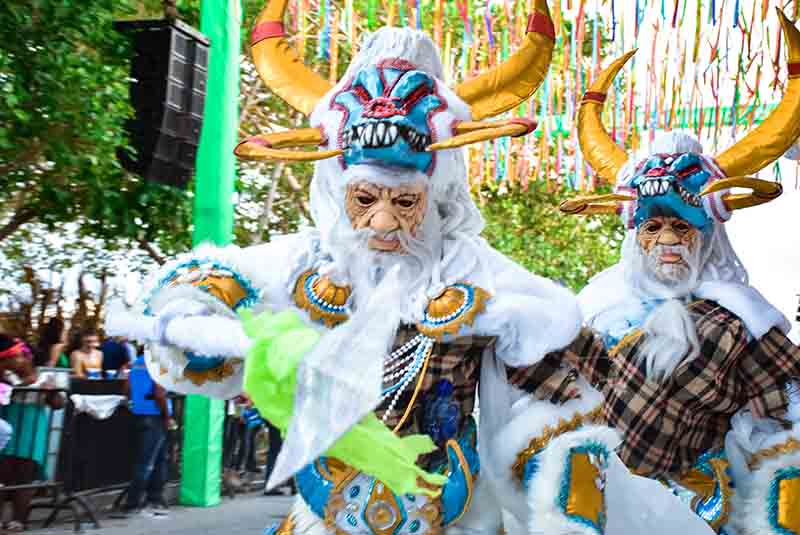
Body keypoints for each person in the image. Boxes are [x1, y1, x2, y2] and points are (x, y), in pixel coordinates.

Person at [105, 0, 629, 532]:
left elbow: (564, 401)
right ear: (338, 189)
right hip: (323, 514)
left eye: (404, 202)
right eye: (364, 199)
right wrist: (200, 319)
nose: (382, 223)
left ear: (436, 191)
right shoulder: (306, 261)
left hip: (448, 513)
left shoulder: (476, 273)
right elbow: (195, 295)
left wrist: (566, 508)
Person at [546, 20, 800, 534]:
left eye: (681, 226)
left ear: (707, 234)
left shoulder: (741, 324)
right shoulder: (594, 306)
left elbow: (788, 414)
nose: (666, 240)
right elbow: (549, 390)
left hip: (696, 513)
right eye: (653, 225)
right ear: (635, 232)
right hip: (600, 508)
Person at [116, 353, 176, 517]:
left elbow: (127, 388)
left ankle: (154, 498)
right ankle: (134, 503)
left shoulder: (137, 362)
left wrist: (134, 402)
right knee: (150, 462)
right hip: (155, 415)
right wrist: (167, 417)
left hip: (139, 414)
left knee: (157, 459)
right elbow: (159, 393)